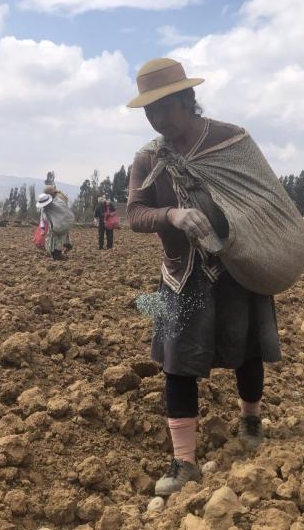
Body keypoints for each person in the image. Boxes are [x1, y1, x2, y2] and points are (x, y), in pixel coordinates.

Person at [126, 57, 282, 497]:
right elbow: (134, 214)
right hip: (183, 275)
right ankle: (184, 463)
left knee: (248, 349)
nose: (157, 120)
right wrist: (171, 214)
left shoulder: (232, 141)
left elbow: (266, 197)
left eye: (164, 108)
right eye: (149, 112)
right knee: (177, 365)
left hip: (237, 265)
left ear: (188, 100)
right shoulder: (149, 157)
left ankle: (250, 420)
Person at [36, 193, 74, 260]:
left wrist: (62, 225)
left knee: (57, 245)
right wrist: (42, 229)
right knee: (50, 245)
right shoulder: (43, 210)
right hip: (52, 229)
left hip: (60, 227)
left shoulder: (57, 206)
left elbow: (65, 214)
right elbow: (42, 219)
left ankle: (59, 255)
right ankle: (59, 254)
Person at [44, 184, 72, 252]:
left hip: (59, 221)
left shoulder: (58, 198)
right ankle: (66, 245)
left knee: (56, 236)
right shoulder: (60, 196)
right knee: (62, 235)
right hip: (62, 221)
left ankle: (55, 251)